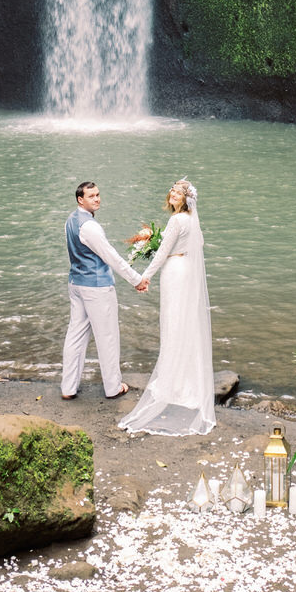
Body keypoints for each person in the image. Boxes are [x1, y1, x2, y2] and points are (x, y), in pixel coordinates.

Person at [119, 178, 215, 436]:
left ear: (187, 198)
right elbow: (201, 244)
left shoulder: (176, 221)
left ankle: (173, 381)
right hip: (186, 270)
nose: (173, 194)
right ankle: (186, 377)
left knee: (173, 321)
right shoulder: (192, 219)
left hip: (174, 271)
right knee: (184, 322)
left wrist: (144, 276)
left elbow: (161, 253)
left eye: (179, 192)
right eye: (172, 190)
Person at [61, 180, 144, 400]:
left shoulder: (70, 220)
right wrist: (136, 279)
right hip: (96, 287)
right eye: (91, 196)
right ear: (81, 199)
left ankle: (68, 388)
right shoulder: (90, 227)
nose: (97, 199)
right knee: (107, 337)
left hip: (76, 283)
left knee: (75, 336)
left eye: (98, 195)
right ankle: (113, 387)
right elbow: (111, 257)